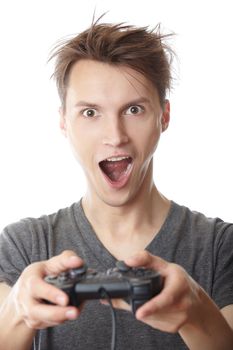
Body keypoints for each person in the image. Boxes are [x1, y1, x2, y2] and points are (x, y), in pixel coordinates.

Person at [0, 19, 233, 350]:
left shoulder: (220, 247)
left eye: (134, 109)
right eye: (91, 113)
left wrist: (197, 313)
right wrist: (17, 315)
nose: (115, 136)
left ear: (163, 117)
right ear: (64, 121)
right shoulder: (22, 246)